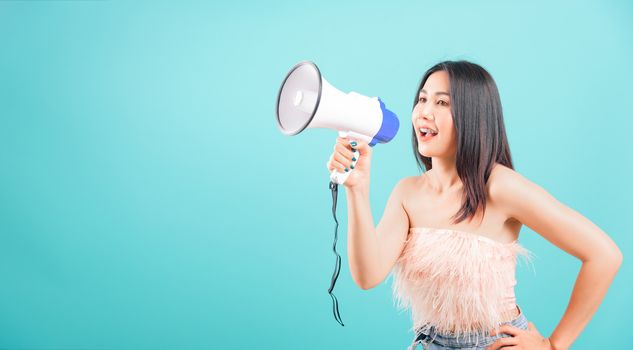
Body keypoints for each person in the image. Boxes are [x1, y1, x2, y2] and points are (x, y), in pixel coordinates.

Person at [325, 60, 623, 350]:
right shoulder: (407, 192)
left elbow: (604, 255)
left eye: (442, 103)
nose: (424, 113)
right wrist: (357, 188)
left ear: (473, 115)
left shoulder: (500, 186)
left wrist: (554, 345)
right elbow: (368, 275)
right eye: (422, 99)